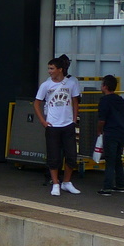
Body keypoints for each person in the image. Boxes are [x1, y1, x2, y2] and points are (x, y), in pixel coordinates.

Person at [34, 56, 82, 196]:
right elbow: (36, 103)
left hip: (67, 124)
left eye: (52, 69)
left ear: (60, 70)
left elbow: (75, 101)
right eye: (49, 68)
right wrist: (43, 121)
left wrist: (74, 119)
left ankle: (66, 182)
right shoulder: (46, 85)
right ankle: (55, 183)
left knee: (71, 155)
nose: (49, 71)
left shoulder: (71, 83)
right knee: (54, 156)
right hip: (52, 125)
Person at [96, 74, 124, 196]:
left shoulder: (104, 100)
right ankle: (120, 185)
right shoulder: (120, 100)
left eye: (102, 84)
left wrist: (99, 131)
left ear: (105, 86)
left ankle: (107, 187)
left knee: (109, 159)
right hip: (122, 132)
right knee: (117, 158)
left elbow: (102, 120)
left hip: (111, 132)